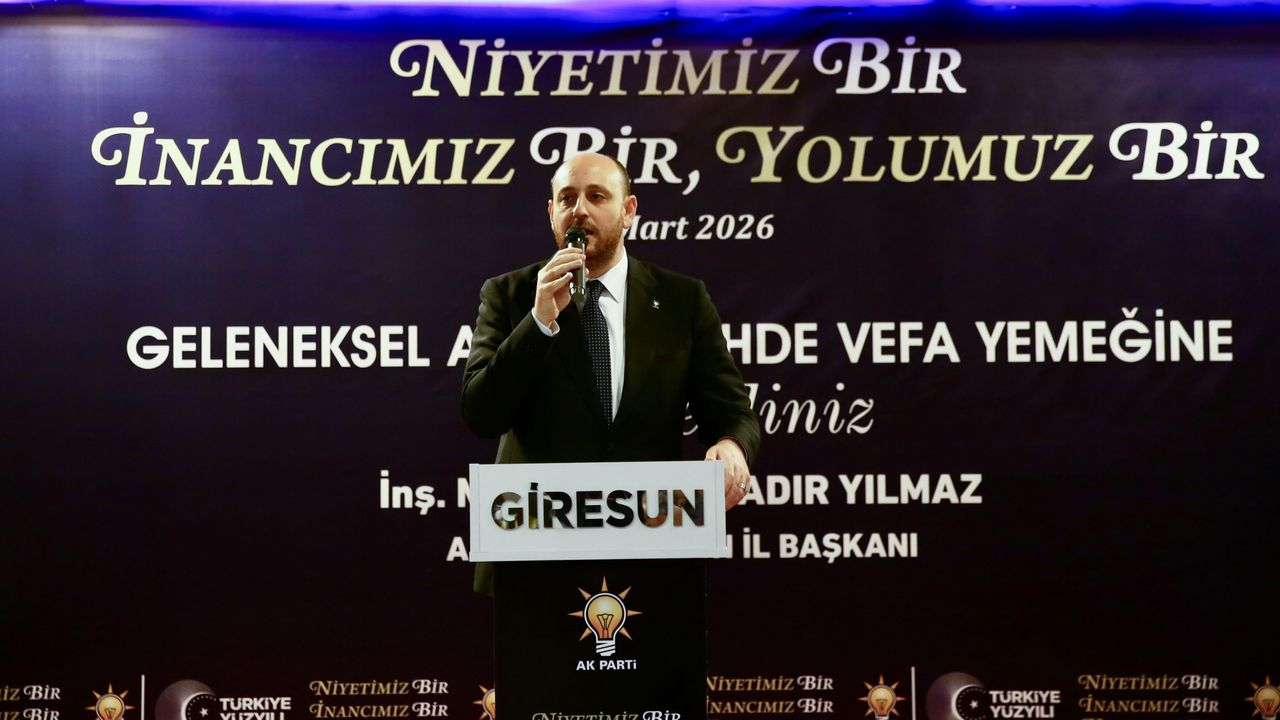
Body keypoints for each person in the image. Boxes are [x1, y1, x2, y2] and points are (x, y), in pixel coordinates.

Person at [462, 152, 760, 593]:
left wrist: (733, 446)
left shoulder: (682, 300)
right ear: (551, 213)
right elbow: (481, 415)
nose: (579, 210)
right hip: (536, 556)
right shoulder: (510, 295)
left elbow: (732, 411)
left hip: (648, 550)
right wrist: (538, 323)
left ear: (628, 211)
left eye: (597, 196)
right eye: (567, 198)